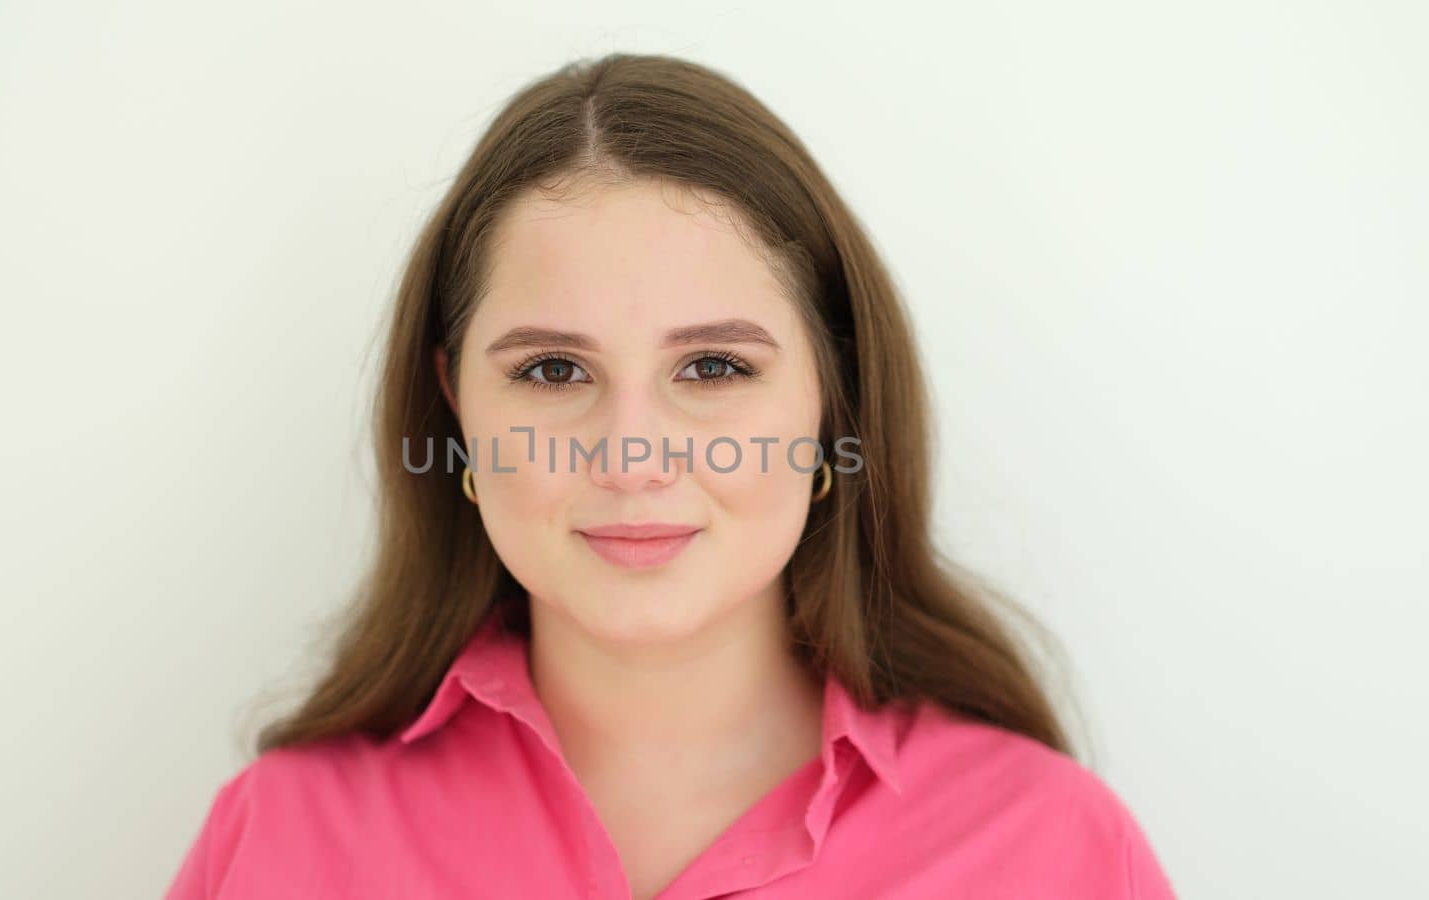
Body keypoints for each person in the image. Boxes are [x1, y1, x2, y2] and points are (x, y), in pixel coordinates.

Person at [163, 52, 1175, 899]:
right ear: (453, 410)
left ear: (833, 402)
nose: (632, 458)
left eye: (714, 368)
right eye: (553, 371)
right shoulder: (277, 838)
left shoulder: (1052, 850)